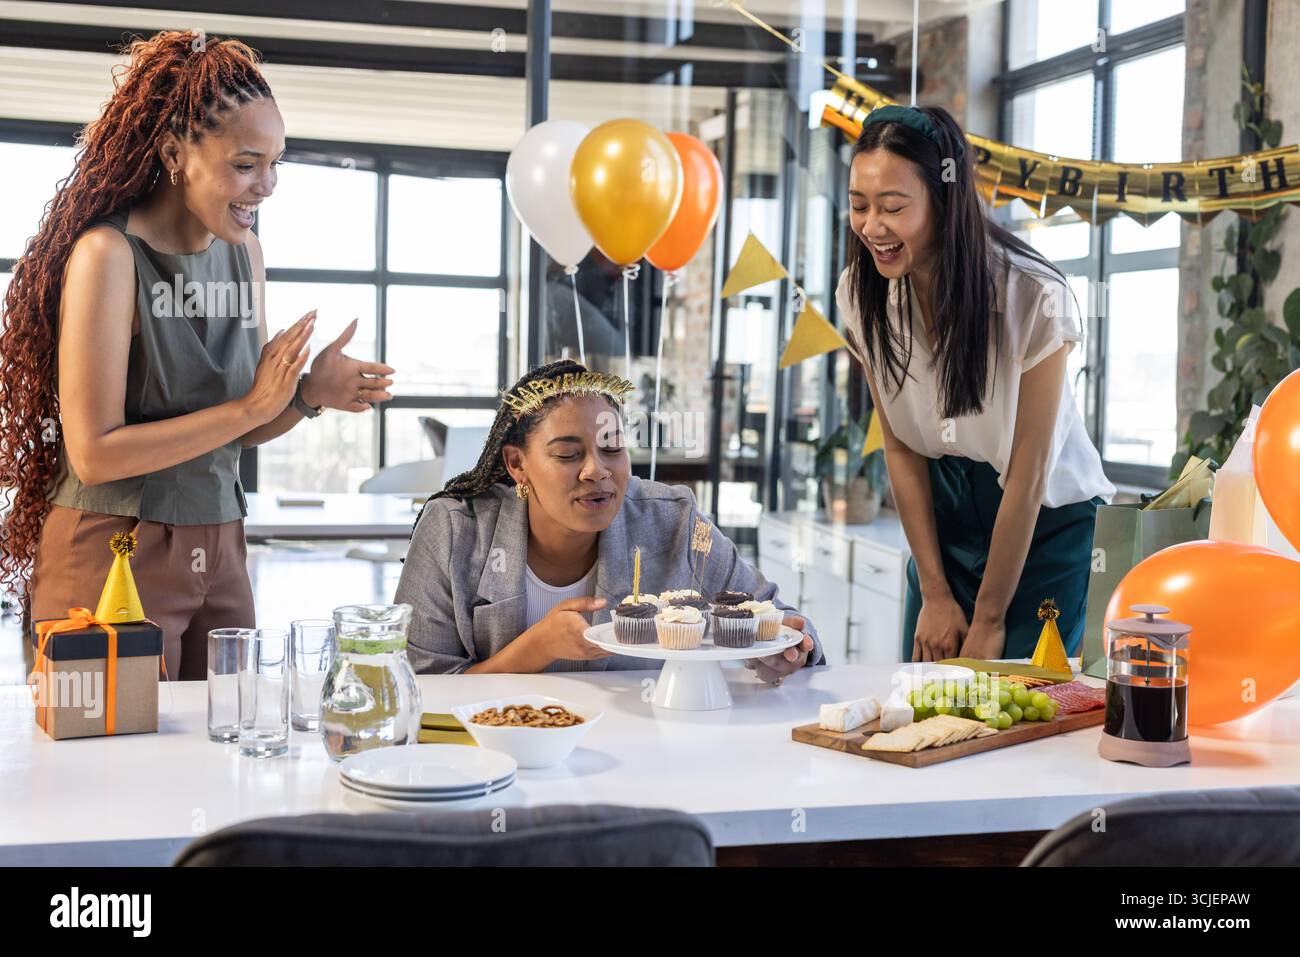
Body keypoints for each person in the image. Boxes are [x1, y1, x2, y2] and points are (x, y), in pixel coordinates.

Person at [0, 31, 394, 679]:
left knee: (223, 759)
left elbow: (237, 427)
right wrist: (251, 405)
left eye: (276, 163)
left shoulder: (245, 255)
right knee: (113, 772)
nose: (266, 185)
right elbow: (95, 453)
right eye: (245, 164)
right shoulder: (109, 256)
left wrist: (304, 395)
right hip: (114, 547)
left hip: (222, 545)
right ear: (174, 153)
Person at [835, 104, 1115, 662]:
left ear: (943, 198)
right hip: (944, 528)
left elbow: (1030, 470)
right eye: (859, 206)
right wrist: (935, 593)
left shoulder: (1033, 297)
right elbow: (900, 448)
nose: (872, 227)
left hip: (1043, 529)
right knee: (928, 708)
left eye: (893, 207)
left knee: (1018, 712)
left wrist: (990, 618)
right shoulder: (861, 295)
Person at [395, 360, 822, 679]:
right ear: (516, 464)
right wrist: (535, 649)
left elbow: (776, 616)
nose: (596, 470)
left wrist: (788, 649)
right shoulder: (454, 530)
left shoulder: (672, 521)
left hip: (640, 758)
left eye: (613, 448)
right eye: (567, 454)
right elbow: (417, 686)